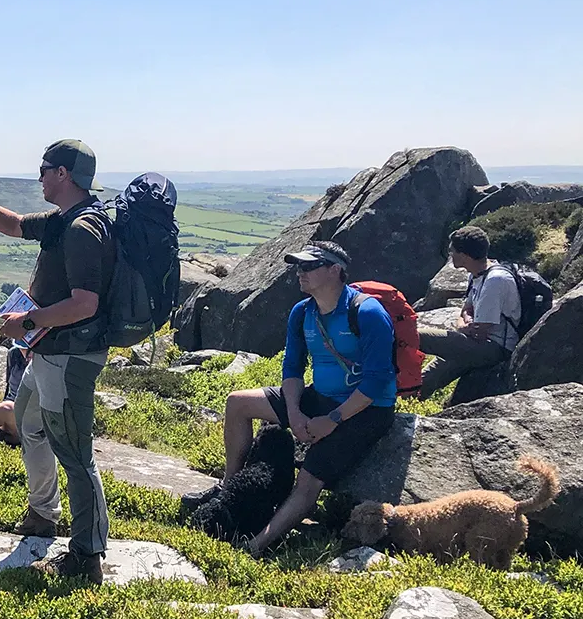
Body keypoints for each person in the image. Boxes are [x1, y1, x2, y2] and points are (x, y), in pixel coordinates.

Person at [0, 140, 116, 582]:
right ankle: (43, 513)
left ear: (64, 175)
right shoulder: (64, 220)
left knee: (75, 453)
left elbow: (85, 304)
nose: (39, 176)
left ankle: (87, 556)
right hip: (48, 354)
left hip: (69, 357)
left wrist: (27, 322)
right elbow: (14, 225)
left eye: (45, 168)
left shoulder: (82, 230)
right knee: (30, 423)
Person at [217, 242, 397, 556]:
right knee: (238, 403)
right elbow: (293, 368)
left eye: (310, 266)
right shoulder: (303, 312)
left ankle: (256, 546)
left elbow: (376, 382)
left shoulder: (367, 312)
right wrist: (294, 412)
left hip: (367, 410)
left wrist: (332, 420)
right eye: (298, 266)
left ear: (335, 270)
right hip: (319, 397)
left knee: (308, 480)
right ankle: (228, 491)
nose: (301, 273)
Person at [418, 226, 521, 400]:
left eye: (452, 251)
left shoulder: (495, 281)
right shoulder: (477, 273)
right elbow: (466, 309)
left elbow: (481, 332)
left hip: (495, 348)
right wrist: (464, 325)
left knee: (418, 337)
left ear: (464, 256)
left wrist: (463, 329)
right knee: (425, 379)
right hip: (475, 343)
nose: (450, 254)